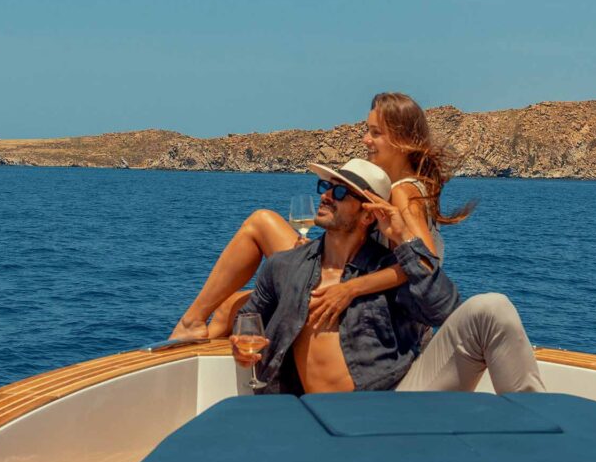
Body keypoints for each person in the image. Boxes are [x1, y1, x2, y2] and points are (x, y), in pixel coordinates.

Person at [170, 92, 472, 341]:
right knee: (230, 306)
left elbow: (424, 264)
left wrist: (348, 289)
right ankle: (190, 338)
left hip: (380, 307)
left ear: (403, 141)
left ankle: (189, 326)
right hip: (363, 285)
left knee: (258, 227)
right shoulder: (400, 187)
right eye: (367, 131)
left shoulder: (404, 192)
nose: (366, 140)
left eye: (376, 133)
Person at [230, 159, 544, 395]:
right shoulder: (284, 266)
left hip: (392, 403)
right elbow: (249, 318)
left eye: (340, 192)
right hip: (314, 415)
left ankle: (535, 427)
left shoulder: (390, 270)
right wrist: (241, 346)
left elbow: (446, 311)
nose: (326, 196)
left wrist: (405, 239)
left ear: (368, 214)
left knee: (492, 308)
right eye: (325, 187)